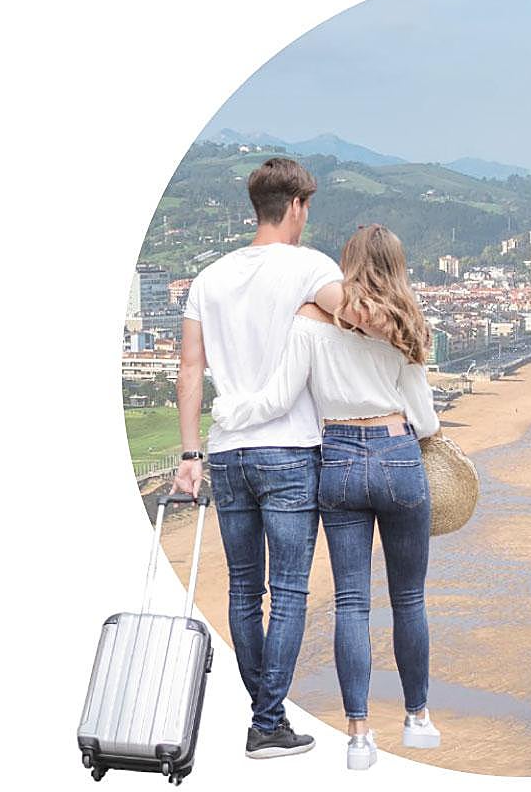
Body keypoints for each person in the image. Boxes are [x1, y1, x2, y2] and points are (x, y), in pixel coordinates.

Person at [212, 223, 442, 771]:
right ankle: (417, 720)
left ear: (346, 264)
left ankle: (359, 736)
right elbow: (425, 415)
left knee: (351, 604)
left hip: (337, 459)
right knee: (409, 599)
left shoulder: (311, 322)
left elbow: (278, 397)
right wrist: (419, 435)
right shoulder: (405, 324)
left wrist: (229, 413)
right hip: (396, 451)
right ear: (398, 265)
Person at [173, 158, 361, 759]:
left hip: (228, 453)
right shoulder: (311, 267)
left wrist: (188, 453)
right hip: (289, 449)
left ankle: (265, 712)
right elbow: (357, 315)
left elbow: (190, 371)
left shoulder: (209, 278)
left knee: (243, 590)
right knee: (288, 591)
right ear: (298, 206)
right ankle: (268, 723)